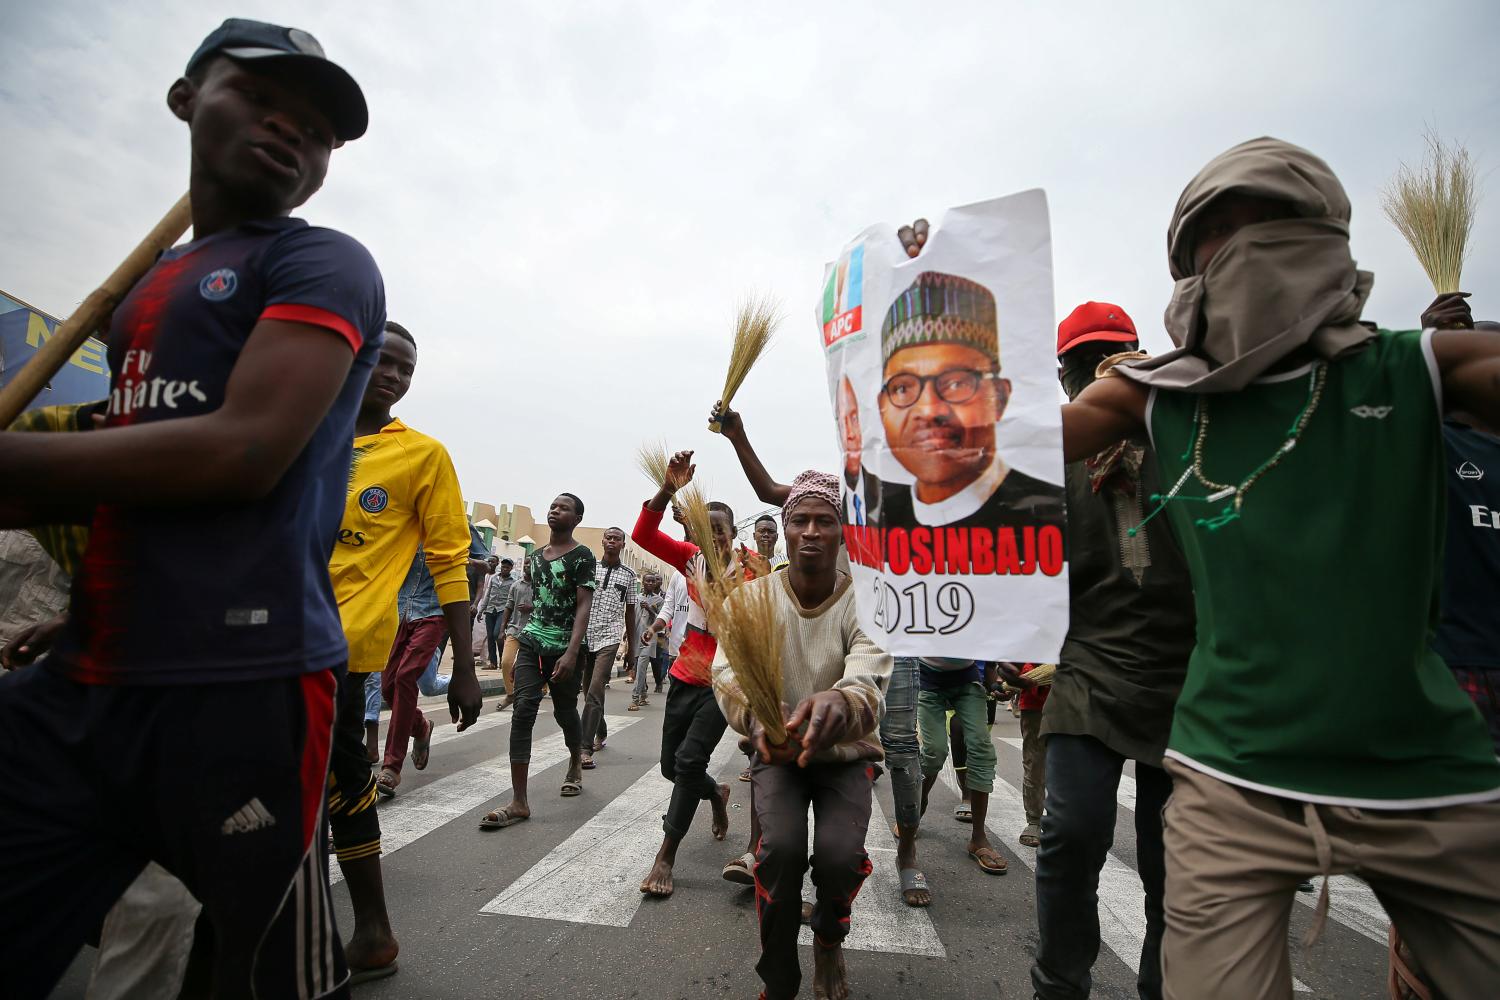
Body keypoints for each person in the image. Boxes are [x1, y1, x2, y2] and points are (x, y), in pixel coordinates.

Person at [1027, 137, 1500, 998]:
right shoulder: (1137, 410)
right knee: (1075, 835)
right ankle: (1060, 984)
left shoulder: (1413, 373)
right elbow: (975, 455)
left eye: (1275, 227)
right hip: (1191, 736)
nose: (1250, 256)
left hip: (1396, 761)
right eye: (1221, 237)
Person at [0, 18, 384, 997]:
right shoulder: (143, 293)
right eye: (261, 100)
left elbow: (240, 452)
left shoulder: (321, 263)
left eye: (317, 129)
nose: (289, 130)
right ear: (185, 99)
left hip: (245, 685)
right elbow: (119, 462)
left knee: (242, 973)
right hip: (88, 678)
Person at [1027, 301, 1195, 1000]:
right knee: (1070, 835)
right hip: (1089, 668)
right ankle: (1059, 985)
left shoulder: (1187, 437)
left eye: (1116, 352)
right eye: (1080, 362)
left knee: (1175, 866)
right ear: (1063, 376)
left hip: (1188, 675)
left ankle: (1164, 989)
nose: (1098, 368)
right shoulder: (1048, 459)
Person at [710, 401, 930, 905]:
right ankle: (760, 849)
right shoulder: (828, 495)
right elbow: (771, 493)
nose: (812, 531)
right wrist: (738, 434)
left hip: (879, 632)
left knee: (899, 746)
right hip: (816, 622)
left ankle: (908, 854)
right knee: (775, 738)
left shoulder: (913, 497)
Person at [326, 320, 481, 981]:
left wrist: (469, 669)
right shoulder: (305, 431)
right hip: (263, 631)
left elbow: (450, 560)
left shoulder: (423, 455)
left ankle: (365, 930)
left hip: (341, 640)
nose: (393, 375)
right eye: (382, 361)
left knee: (336, 778)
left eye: (405, 369)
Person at [712, 470, 890, 1000]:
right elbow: (726, 674)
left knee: (837, 856)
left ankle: (830, 941)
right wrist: (758, 717)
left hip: (843, 755)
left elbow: (869, 675)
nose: (811, 531)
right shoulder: (750, 600)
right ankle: (780, 978)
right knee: (781, 852)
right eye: (800, 520)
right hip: (777, 753)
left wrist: (842, 701)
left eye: (825, 521)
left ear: (843, 533)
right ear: (784, 530)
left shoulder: (868, 601)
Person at [631, 450, 763, 897]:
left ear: (733, 533)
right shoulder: (689, 557)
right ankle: (716, 794)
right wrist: (668, 488)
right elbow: (643, 533)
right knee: (672, 766)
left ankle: (665, 855)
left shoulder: (751, 569)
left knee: (689, 762)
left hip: (727, 680)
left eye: (722, 532)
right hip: (686, 672)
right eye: (708, 532)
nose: (716, 541)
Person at [876, 270, 1065, 531]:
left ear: (999, 397)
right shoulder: (875, 527)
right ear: (881, 407)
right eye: (902, 388)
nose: (930, 410)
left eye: (956, 383)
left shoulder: (1052, 516)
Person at [480, 493, 596, 828]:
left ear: (576, 519)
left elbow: (583, 606)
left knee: (564, 712)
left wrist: (573, 653)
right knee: (523, 712)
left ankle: (575, 757)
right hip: (532, 642)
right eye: (553, 505)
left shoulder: (582, 556)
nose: (555, 509)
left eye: (564, 508)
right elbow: (537, 601)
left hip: (565, 648)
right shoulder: (536, 557)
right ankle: (519, 801)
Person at [916, 658, 1007, 875]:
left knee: (981, 749)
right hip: (927, 680)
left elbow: (993, 641)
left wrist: (999, 680)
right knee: (934, 752)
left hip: (967, 681)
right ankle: (917, 806)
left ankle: (978, 837)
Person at [579, 526, 640, 767]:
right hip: (586, 635)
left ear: (623, 545)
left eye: (617, 539)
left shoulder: (629, 575)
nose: (612, 541)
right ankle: (601, 730)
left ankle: (584, 749)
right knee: (588, 692)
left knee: (595, 690)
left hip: (610, 637)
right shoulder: (589, 568)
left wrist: (632, 650)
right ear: (603, 541)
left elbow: (631, 612)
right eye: (609, 538)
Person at [835, 374, 884, 526]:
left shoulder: (888, 492)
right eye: (844, 421)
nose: (849, 433)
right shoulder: (842, 496)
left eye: (855, 419)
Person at [494, 560, 534, 710]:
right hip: (514, 629)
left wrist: (532, 607)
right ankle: (510, 694)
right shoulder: (515, 585)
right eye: (526, 563)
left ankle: (537, 692)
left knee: (529, 667)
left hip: (533, 631)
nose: (528, 566)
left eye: (531, 564)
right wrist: (502, 629)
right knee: (506, 662)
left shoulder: (541, 585)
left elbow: (546, 606)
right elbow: (508, 606)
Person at [630, 570, 667, 709]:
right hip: (636, 636)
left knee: (641, 666)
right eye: (648, 581)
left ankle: (635, 698)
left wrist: (650, 609)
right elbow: (630, 617)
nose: (650, 583)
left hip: (649, 639)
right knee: (640, 667)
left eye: (653, 581)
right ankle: (644, 695)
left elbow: (662, 619)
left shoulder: (659, 600)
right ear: (643, 582)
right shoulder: (636, 598)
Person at [478, 557, 515, 668]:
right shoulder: (494, 578)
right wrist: (481, 610)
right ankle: (493, 663)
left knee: (497, 635)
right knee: (490, 636)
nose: (505, 569)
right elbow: (488, 595)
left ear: (511, 569)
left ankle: (503, 660)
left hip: (502, 611)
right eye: (503, 567)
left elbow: (513, 599)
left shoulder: (513, 582)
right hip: (490, 609)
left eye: (507, 567)